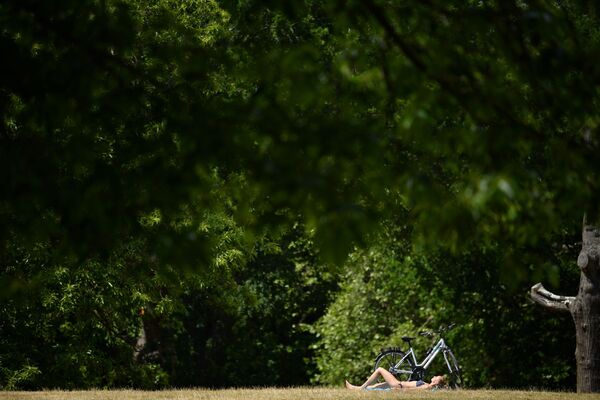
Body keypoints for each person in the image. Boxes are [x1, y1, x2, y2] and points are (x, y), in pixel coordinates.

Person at [345, 367, 445, 391]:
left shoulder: (427, 386)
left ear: (435, 382)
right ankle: (356, 388)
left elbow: (415, 390)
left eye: (437, 377)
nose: (435, 376)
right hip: (398, 384)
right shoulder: (426, 384)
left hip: (398, 385)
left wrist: (400, 390)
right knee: (376, 386)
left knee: (380, 369)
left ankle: (359, 389)